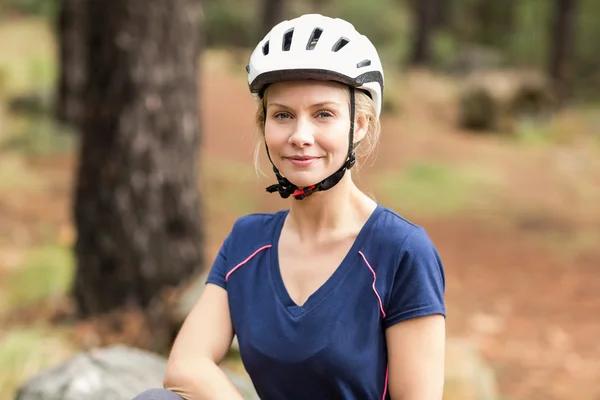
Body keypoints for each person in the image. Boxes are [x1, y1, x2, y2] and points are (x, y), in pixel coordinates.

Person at [133, 13, 446, 400]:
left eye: (323, 115)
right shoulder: (247, 242)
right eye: (283, 115)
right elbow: (186, 365)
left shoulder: (402, 251)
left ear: (360, 125)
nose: (300, 136)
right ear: (265, 125)